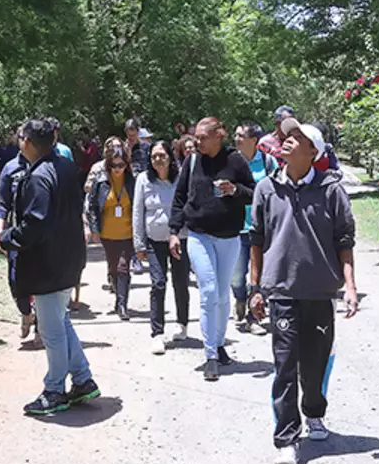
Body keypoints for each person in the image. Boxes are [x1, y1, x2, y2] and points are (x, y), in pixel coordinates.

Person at [248, 119, 358, 464]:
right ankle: (286, 438)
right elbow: (257, 240)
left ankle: (314, 413)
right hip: (281, 290)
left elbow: (344, 240)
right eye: (285, 136)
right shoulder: (266, 188)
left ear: (314, 151)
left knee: (314, 364)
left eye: (297, 137)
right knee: (285, 367)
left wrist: (350, 287)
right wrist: (255, 287)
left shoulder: (330, 189)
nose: (287, 141)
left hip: (320, 292)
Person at [0, 118, 100, 416]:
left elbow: (34, 225)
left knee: (52, 330)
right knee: (60, 321)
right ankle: (82, 379)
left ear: (27, 142)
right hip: (68, 259)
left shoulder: (39, 176)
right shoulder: (65, 167)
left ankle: (54, 390)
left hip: (48, 263)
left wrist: (6, 238)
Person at [169, 117, 256, 381]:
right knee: (207, 290)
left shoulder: (235, 161)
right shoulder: (192, 161)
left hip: (229, 236)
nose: (197, 141)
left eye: (202, 137)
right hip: (199, 234)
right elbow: (180, 196)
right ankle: (210, 355)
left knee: (221, 293)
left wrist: (234, 190)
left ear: (219, 135)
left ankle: (219, 344)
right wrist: (174, 232)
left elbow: (253, 193)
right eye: (196, 137)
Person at [133, 141, 191, 354]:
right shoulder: (143, 180)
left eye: (162, 155)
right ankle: (157, 333)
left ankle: (182, 323)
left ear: (170, 156)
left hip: (180, 238)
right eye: (154, 156)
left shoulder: (181, 178)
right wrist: (138, 243)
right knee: (158, 283)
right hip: (154, 241)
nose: (158, 159)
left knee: (180, 282)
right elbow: (137, 212)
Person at [232, 122, 279, 334]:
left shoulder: (269, 163)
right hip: (235, 227)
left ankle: (253, 317)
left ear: (254, 140)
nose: (236, 138)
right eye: (235, 135)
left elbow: (279, 191)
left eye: (240, 135)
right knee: (236, 276)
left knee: (257, 276)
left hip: (261, 229)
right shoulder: (230, 162)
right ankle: (240, 299)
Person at [0, 131, 34, 339]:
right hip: (16, 235)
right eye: (22, 137)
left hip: (42, 237)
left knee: (41, 283)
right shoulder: (10, 169)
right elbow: (2, 204)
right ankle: (26, 313)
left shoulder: (49, 167)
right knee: (15, 280)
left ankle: (42, 329)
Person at [87, 148, 135, 320]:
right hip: (107, 233)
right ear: (108, 165)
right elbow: (92, 206)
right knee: (113, 268)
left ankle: (123, 305)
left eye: (121, 165)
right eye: (113, 165)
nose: (117, 169)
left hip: (128, 232)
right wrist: (94, 229)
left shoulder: (132, 182)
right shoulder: (100, 182)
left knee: (123, 267)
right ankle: (117, 297)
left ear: (126, 165)